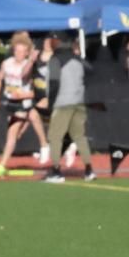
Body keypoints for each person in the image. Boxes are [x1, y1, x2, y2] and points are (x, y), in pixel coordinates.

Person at [0, 33, 49, 175]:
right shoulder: (7, 63)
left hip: (24, 102)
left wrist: (24, 94)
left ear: (27, 52)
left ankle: (2, 164)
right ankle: (45, 144)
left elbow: (34, 85)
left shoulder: (29, 65)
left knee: (12, 133)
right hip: (11, 102)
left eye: (22, 51)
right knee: (24, 126)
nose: (19, 54)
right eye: (17, 50)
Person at [42, 35, 96, 183]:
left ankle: (56, 171)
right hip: (79, 101)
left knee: (55, 137)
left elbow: (53, 83)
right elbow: (91, 70)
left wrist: (51, 103)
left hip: (63, 103)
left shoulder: (56, 60)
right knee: (80, 136)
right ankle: (89, 170)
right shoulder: (77, 59)